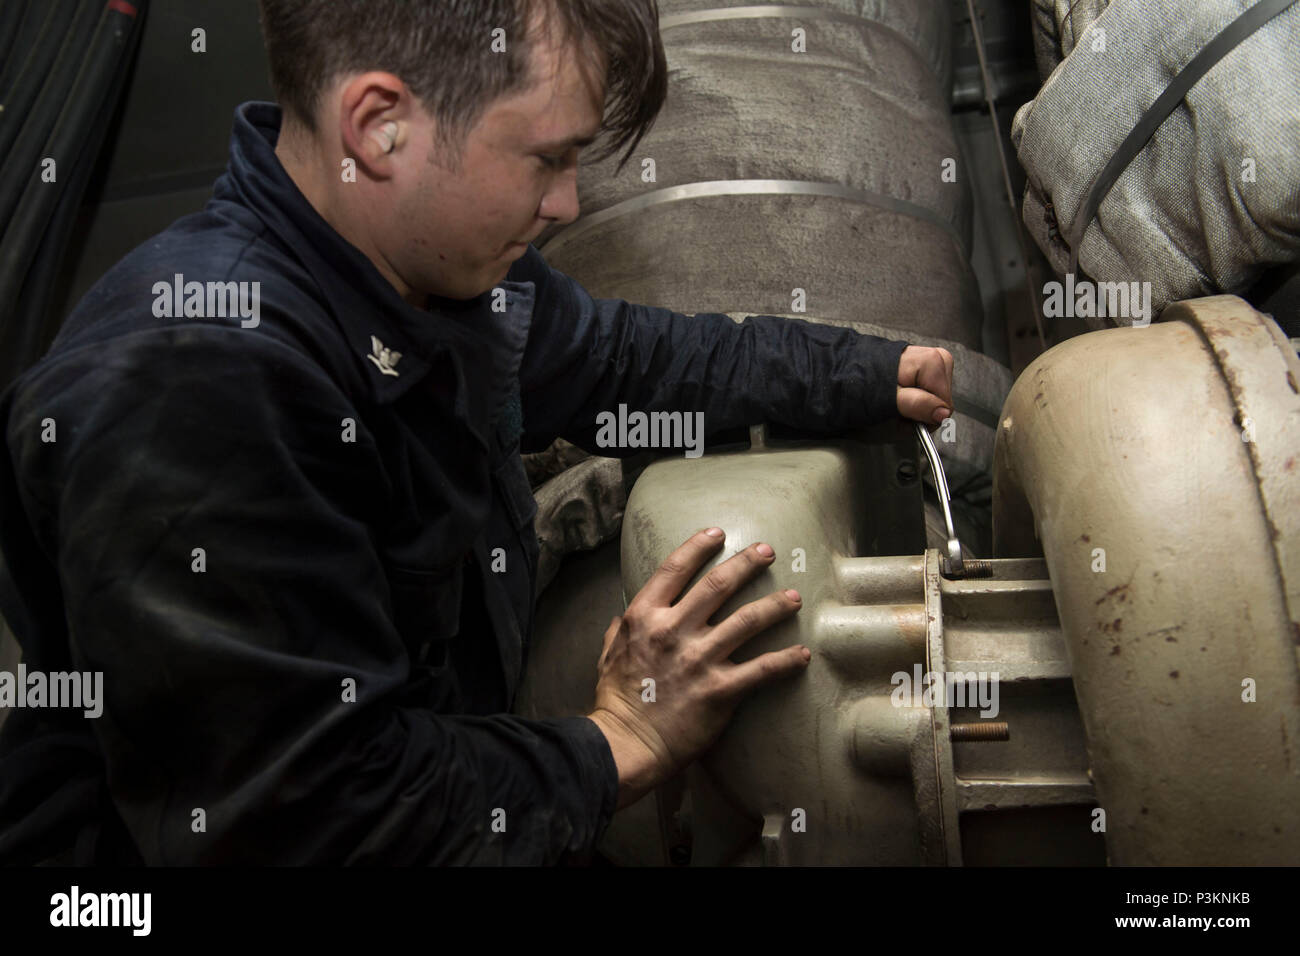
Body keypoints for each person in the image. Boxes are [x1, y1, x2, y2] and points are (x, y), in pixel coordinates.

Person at [0, 0, 954, 864]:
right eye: (547, 157)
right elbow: (312, 819)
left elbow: (623, 361)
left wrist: (860, 375)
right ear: (381, 127)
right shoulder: (193, 388)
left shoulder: (432, 273)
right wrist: (624, 737)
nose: (568, 204)